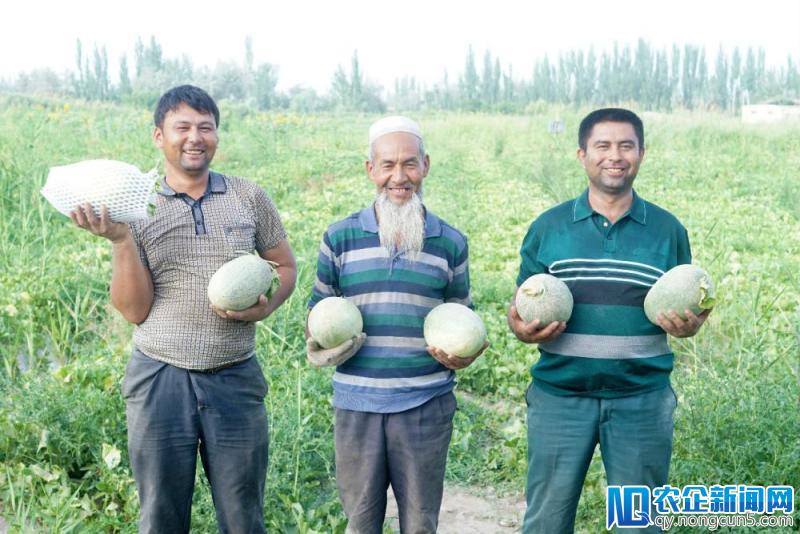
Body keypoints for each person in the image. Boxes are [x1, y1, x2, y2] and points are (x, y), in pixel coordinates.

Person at [70, 84, 296, 533]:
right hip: (160, 378)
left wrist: (264, 307)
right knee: (161, 513)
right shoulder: (136, 204)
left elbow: (284, 265)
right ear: (159, 136)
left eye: (205, 127)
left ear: (217, 135)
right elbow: (134, 311)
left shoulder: (249, 196)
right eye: (183, 127)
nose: (195, 137)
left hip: (234, 375)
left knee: (243, 513)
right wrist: (120, 239)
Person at [507, 108, 711, 533]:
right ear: (582, 154)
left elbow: (681, 299)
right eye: (602, 146)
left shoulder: (667, 230)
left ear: (641, 153)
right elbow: (522, 309)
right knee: (546, 520)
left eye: (626, 145)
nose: (614, 156)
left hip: (641, 399)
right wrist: (521, 329)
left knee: (640, 524)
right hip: (560, 397)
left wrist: (690, 325)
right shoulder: (548, 228)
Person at [306, 116, 488, 533]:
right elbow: (317, 314)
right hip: (357, 405)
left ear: (425, 165)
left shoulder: (450, 241)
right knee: (361, 520)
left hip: (425, 404)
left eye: (409, 164)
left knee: (421, 522)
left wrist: (466, 354)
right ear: (370, 170)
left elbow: (463, 315)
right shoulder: (340, 237)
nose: (399, 176)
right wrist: (319, 344)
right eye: (387, 165)